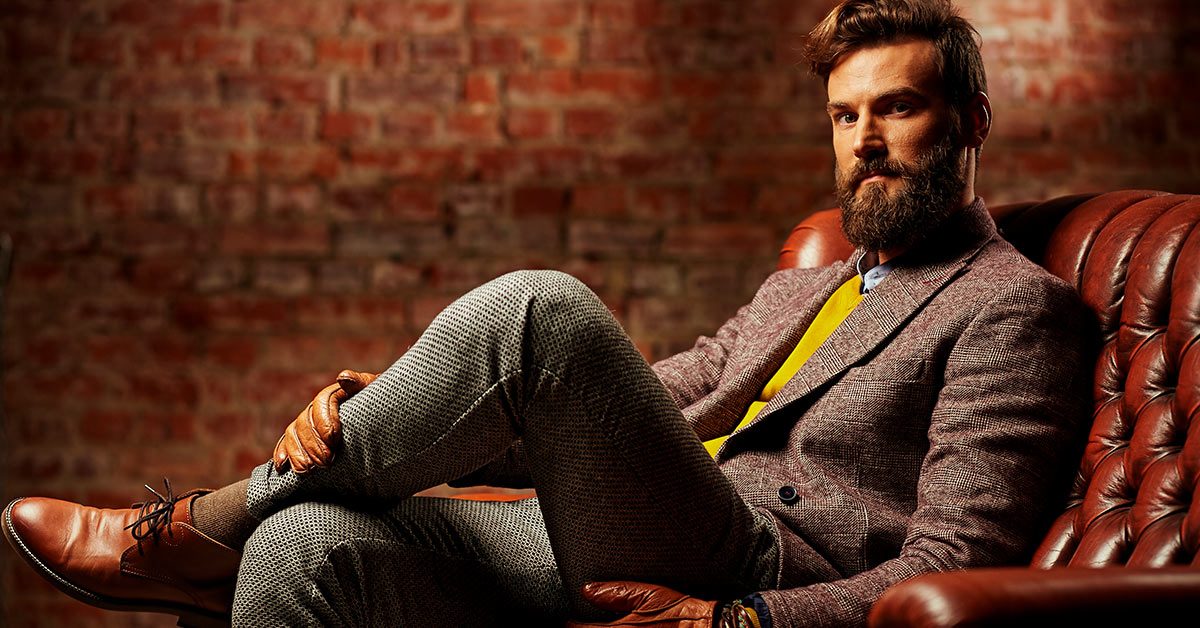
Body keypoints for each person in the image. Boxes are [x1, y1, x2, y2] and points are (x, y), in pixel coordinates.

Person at [2, 1, 1094, 626]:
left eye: (895, 106)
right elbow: (668, 388)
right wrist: (392, 409)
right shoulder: (814, 275)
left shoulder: (1015, 308)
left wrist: (740, 623)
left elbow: (951, 558)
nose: (862, 137)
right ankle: (253, 519)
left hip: (753, 563)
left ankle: (191, 530)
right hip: (634, 514)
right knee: (305, 543)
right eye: (844, 113)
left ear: (971, 119)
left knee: (541, 309)